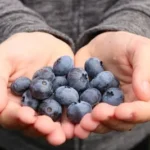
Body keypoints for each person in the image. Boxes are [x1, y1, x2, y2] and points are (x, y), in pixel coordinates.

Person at [0, 0, 150, 150]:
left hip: (125, 141)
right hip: (20, 142)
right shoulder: (52, 85)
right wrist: (15, 25)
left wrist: (133, 24)